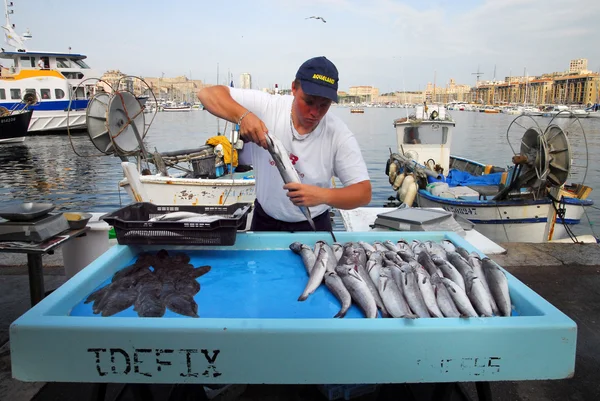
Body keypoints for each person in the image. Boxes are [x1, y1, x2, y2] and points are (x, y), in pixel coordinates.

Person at [197, 56, 371, 232]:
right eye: (309, 102)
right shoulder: (268, 106)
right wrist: (244, 116)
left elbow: (363, 193)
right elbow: (207, 94)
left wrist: (322, 196)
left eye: (324, 105)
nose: (315, 113)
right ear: (294, 88)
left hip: (315, 223)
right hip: (265, 218)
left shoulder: (338, 133)